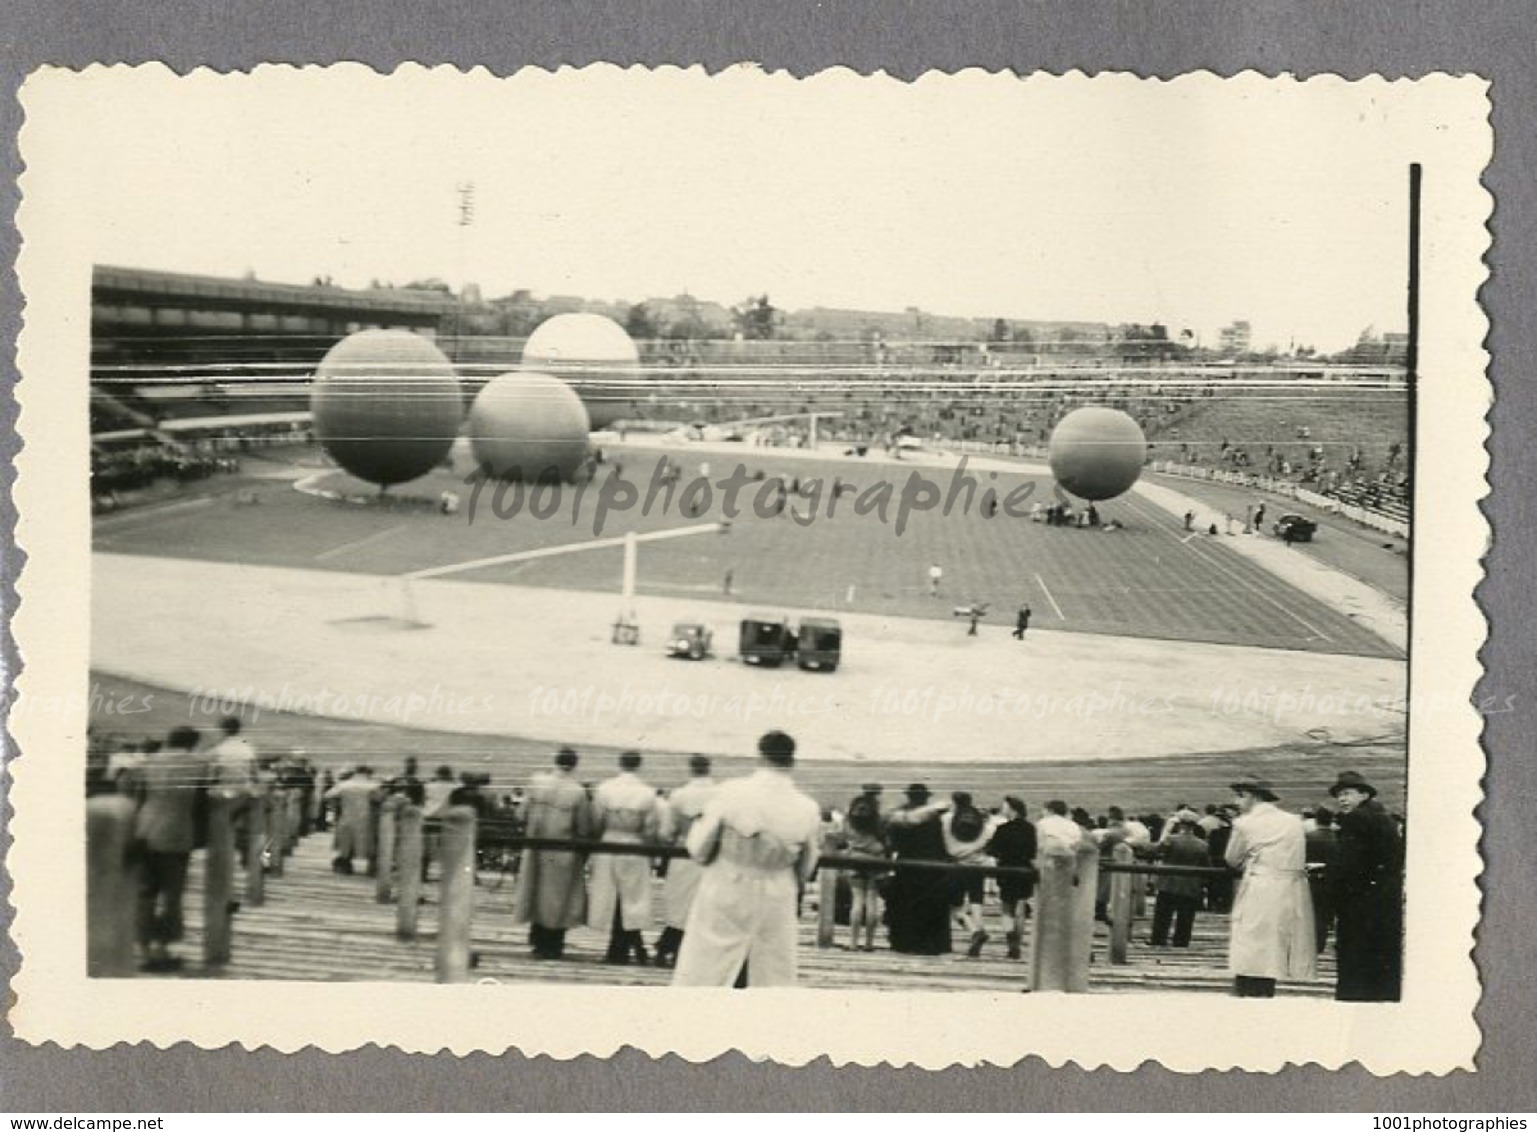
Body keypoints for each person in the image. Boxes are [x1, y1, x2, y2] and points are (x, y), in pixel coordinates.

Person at [672, 730, 822, 987]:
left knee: (710, 963)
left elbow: (699, 848)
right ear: (791, 761)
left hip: (727, 884)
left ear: (760, 756)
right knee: (769, 967)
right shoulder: (807, 807)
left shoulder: (730, 792)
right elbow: (807, 865)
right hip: (777, 892)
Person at [1224, 776, 1316, 997]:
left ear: (1253, 797)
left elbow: (1232, 859)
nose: (1236, 802)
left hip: (1260, 886)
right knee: (1275, 944)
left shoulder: (1244, 823)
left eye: (1240, 796)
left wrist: (1250, 860)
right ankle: (1265, 992)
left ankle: (1248, 994)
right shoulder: (1293, 821)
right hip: (1290, 889)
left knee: (1251, 945)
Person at [131, 726, 209, 972]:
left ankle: (142, 950)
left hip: (144, 830)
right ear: (192, 743)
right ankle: (165, 948)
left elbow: (137, 797)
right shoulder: (199, 764)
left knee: (145, 893)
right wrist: (202, 837)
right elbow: (201, 803)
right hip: (177, 833)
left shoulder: (148, 762)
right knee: (172, 895)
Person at [1328, 771, 1404, 1001]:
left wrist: (1330, 881)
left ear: (1363, 794)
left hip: (1359, 902)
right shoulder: (1383, 817)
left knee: (1355, 957)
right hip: (1385, 898)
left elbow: (1348, 865)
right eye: (1339, 795)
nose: (1342, 799)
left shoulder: (1356, 819)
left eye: (1347, 794)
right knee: (1382, 956)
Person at [512, 748, 594, 960]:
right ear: (574, 765)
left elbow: (520, 814)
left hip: (535, 847)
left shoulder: (537, 781)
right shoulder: (577, 792)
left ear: (555, 761)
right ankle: (553, 945)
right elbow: (584, 827)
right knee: (558, 898)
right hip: (562, 849)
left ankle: (537, 941)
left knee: (535, 892)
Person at [587, 751, 663, 965]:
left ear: (620, 763)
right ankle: (631, 947)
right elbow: (650, 828)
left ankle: (620, 948)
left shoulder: (604, 789)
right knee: (632, 898)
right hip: (634, 845)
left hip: (610, 842)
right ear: (639, 765)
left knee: (609, 896)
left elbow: (596, 821)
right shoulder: (648, 794)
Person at [654, 755, 720, 968]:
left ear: (691, 769)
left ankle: (669, 945)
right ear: (709, 768)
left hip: (683, 852)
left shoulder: (679, 796)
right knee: (704, 904)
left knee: (679, 903)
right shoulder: (720, 795)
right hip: (710, 856)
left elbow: (666, 832)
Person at [883, 784, 951, 955]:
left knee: (904, 904)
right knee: (931, 905)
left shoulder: (901, 815)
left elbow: (893, 842)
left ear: (909, 796)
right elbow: (941, 842)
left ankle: (904, 943)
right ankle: (931, 944)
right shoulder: (935, 817)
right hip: (932, 866)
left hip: (906, 864)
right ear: (926, 797)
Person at [942, 791, 995, 957]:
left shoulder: (947, 820)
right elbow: (990, 837)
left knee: (954, 907)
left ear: (954, 802)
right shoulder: (984, 824)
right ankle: (979, 928)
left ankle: (973, 932)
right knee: (976, 899)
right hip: (978, 866)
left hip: (956, 866)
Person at [986, 797, 1037, 959]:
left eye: (1005, 807)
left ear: (1013, 809)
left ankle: (1010, 940)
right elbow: (1034, 851)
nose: (1003, 810)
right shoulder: (1031, 829)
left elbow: (992, 850)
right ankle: (1018, 943)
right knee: (1021, 907)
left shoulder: (1002, 829)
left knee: (1007, 908)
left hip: (1006, 870)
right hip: (1024, 870)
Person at [841, 783, 887, 952]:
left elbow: (843, 835)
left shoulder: (849, 818)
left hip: (855, 859)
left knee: (857, 901)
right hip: (876, 860)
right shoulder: (878, 817)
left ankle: (853, 942)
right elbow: (885, 838)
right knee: (872, 901)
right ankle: (869, 942)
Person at [1150, 815, 1208, 947]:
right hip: (1190, 885)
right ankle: (1181, 941)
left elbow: (1156, 850)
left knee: (1163, 916)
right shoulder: (1203, 845)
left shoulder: (1171, 840)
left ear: (1180, 825)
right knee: (1186, 917)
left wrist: (1166, 832)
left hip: (1168, 882)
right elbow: (1206, 866)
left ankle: (1158, 939)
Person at [324, 765, 379, 875]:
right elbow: (379, 799)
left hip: (347, 816)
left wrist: (336, 805)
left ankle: (345, 864)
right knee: (369, 844)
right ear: (368, 774)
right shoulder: (373, 785)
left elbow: (328, 795)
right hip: (366, 818)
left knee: (346, 843)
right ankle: (372, 867)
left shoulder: (344, 785)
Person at [1304, 805, 1341, 954]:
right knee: (1325, 914)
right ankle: (1321, 942)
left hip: (1311, 879)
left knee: (1312, 913)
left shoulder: (1308, 836)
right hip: (1330, 880)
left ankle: (1312, 943)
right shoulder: (1337, 838)